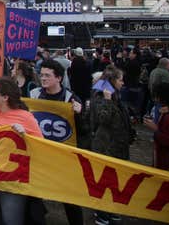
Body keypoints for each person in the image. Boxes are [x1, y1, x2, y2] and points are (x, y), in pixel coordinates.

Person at [0, 78, 43, 225]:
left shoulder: (26, 117)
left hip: (12, 179)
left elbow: (42, 146)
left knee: (11, 220)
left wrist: (25, 134)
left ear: (5, 97)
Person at [29, 59, 84, 225]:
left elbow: (83, 131)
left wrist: (80, 114)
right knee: (33, 194)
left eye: (47, 75)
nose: (43, 78)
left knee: (69, 197)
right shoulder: (34, 95)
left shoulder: (71, 99)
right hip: (39, 155)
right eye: (41, 75)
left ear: (59, 78)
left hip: (63, 157)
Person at [90, 65, 131, 225]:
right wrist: (107, 101)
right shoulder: (102, 96)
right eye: (121, 79)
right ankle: (102, 214)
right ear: (113, 81)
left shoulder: (116, 95)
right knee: (106, 182)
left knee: (116, 183)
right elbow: (102, 119)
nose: (123, 82)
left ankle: (111, 211)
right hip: (107, 147)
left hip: (117, 146)